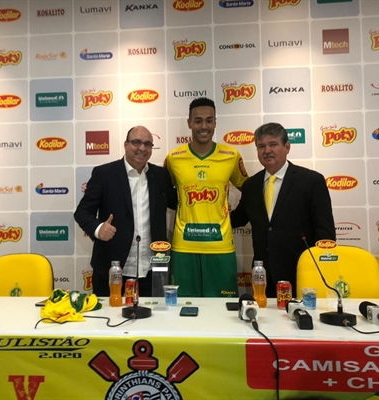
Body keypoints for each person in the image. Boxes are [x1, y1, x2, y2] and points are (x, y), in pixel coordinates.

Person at [230, 122, 336, 297]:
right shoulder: (251, 185)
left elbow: (325, 232)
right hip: (264, 277)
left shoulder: (311, 181)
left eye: (273, 144)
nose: (267, 151)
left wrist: (323, 268)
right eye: (261, 146)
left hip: (302, 274)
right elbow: (238, 219)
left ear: (287, 147)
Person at [74, 126, 176, 297]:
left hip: (152, 271)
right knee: (108, 320)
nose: (142, 148)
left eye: (147, 144)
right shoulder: (104, 174)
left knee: (153, 322)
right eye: (136, 142)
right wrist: (99, 229)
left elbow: (178, 203)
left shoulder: (160, 175)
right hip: (112, 271)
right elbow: (82, 212)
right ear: (126, 144)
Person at [164, 97, 249, 297]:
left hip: (220, 246)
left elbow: (250, 191)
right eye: (198, 120)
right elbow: (164, 196)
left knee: (223, 313)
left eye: (209, 120)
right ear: (189, 123)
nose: (204, 126)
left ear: (215, 123)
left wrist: (234, 218)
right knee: (183, 309)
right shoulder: (173, 158)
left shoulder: (231, 156)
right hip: (184, 247)